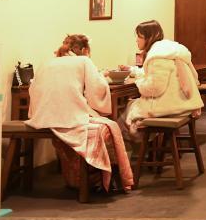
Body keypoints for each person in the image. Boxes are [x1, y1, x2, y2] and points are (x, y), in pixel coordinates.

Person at [27, 34, 134, 193]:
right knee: (111, 126)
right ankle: (105, 179)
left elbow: (33, 89)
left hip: (42, 116)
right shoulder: (84, 61)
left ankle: (79, 178)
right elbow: (97, 89)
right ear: (84, 50)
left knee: (105, 124)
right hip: (70, 115)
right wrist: (101, 79)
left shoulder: (47, 62)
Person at [121, 20, 203, 141]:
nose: (136, 40)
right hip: (184, 104)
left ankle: (133, 150)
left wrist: (139, 82)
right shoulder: (169, 51)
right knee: (131, 107)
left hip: (171, 107)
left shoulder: (158, 56)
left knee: (125, 111)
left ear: (149, 38)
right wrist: (132, 70)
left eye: (139, 37)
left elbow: (154, 88)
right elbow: (154, 74)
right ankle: (150, 148)